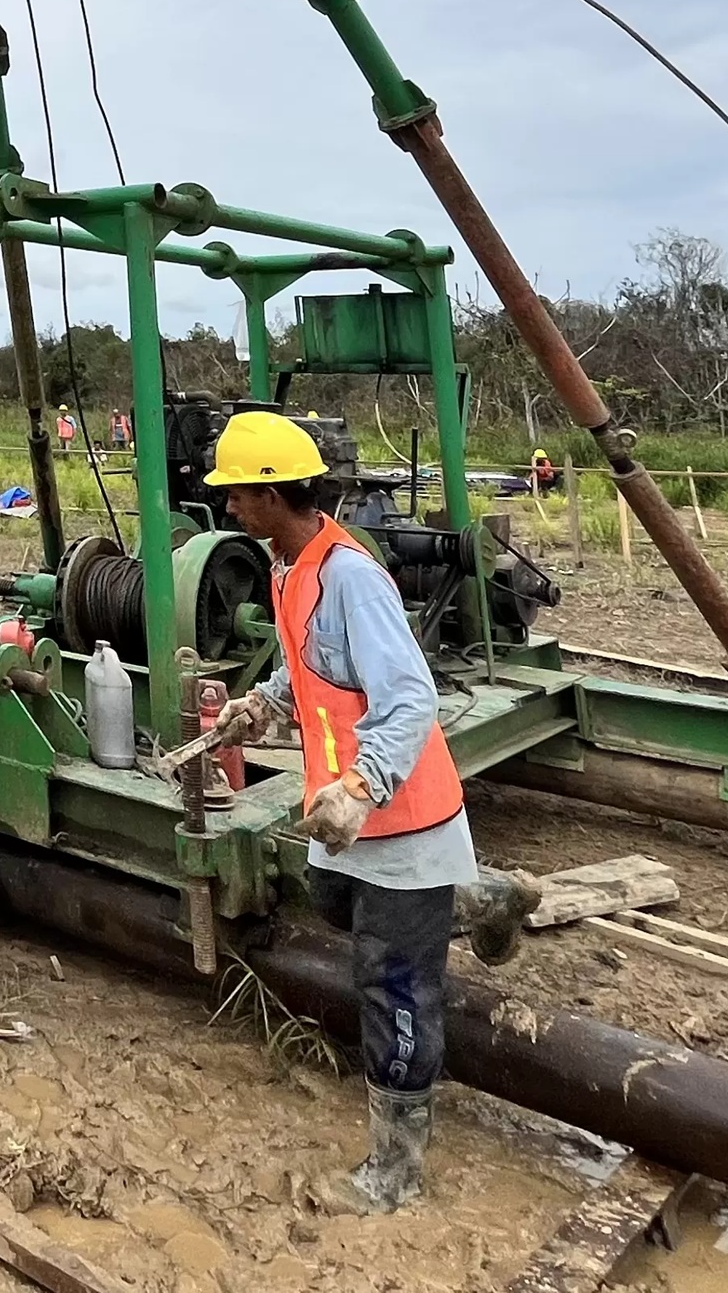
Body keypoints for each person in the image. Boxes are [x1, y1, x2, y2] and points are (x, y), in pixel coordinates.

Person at [207, 409, 538, 1214]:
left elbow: (409, 696)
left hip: (397, 810)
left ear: (273, 492)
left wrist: (362, 786)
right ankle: (482, 896)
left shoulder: (351, 574)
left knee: (390, 982)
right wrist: (265, 704)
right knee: (328, 900)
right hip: (344, 813)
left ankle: (394, 1171)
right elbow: (311, 668)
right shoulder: (290, 567)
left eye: (237, 496)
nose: (228, 511)